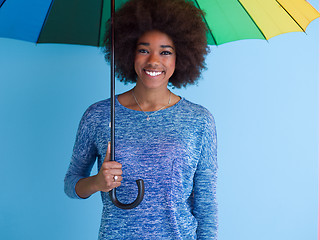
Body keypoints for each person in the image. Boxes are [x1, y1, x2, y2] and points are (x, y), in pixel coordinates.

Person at [64, 0, 218, 239]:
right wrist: (97, 182)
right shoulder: (99, 115)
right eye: (144, 50)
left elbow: (206, 208)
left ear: (182, 56)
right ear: (128, 51)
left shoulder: (199, 121)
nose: (154, 61)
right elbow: (71, 184)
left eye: (165, 52)